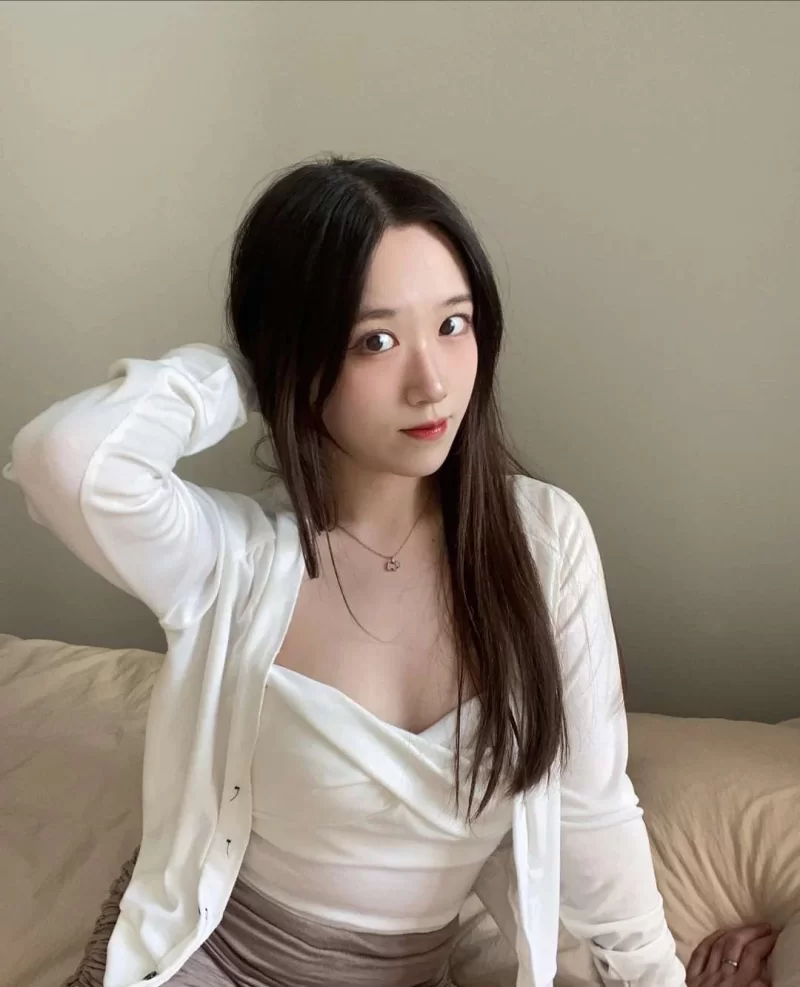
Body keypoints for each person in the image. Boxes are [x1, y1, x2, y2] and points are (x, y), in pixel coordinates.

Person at [4, 157, 776, 987]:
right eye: (375, 340)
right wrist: (253, 368)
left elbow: (595, 816)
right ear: (298, 358)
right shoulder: (233, 559)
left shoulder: (544, 542)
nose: (431, 382)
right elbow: (64, 458)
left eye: (453, 323)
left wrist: (655, 977)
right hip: (209, 960)